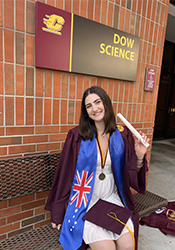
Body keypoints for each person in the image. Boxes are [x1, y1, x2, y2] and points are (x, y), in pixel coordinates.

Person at [45, 86, 149, 250]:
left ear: (106, 103)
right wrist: (57, 212)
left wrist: (139, 156)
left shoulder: (123, 135)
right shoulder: (76, 137)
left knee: (128, 245)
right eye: (88, 106)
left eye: (97, 102)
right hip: (85, 202)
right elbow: (64, 175)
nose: (94, 108)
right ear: (85, 111)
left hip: (111, 198)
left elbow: (129, 175)